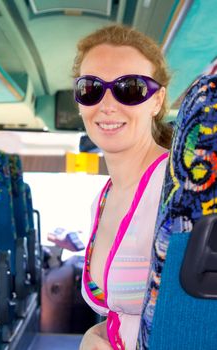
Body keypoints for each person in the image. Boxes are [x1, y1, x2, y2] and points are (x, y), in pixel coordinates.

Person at [73, 25, 173, 350]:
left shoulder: (178, 190)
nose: (107, 104)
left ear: (157, 101)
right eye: (91, 88)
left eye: (129, 89)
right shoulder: (103, 199)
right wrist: (97, 334)